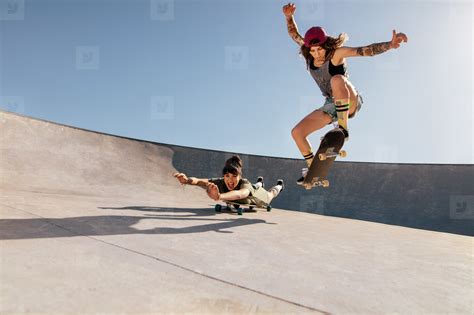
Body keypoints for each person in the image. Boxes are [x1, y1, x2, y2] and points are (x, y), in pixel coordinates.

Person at [282, 3, 408, 185]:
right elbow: (294, 35)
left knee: (336, 79)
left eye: (320, 50)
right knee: (297, 132)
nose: (317, 54)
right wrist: (288, 17)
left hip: (351, 99)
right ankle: (313, 170)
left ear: (326, 45)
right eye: (313, 51)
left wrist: (389, 45)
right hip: (331, 105)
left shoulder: (337, 53)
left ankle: (343, 128)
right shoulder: (310, 52)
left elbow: (365, 51)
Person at [173, 155, 284, 207]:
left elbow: (241, 194)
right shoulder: (221, 182)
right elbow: (198, 181)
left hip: (258, 197)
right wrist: (187, 180)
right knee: (256, 184)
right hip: (251, 188)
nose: (230, 180)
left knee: (271, 194)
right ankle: (260, 182)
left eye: (234, 176)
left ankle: (279, 185)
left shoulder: (243, 183)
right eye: (227, 176)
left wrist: (219, 196)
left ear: (239, 176)